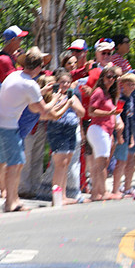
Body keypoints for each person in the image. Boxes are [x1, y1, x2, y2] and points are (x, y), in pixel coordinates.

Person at [0, 47, 67, 212]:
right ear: (38, 67)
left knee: (14, 164)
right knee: (15, 164)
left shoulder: (14, 75)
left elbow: (23, 98)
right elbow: (44, 110)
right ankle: (10, 202)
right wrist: (55, 99)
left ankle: (13, 199)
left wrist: (40, 92)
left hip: (1, 124)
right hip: (9, 126)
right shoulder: (30, 84)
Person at [46, 68, 85, 205]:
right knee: (60, 163)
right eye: (63, 82)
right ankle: (56, 197)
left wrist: (72, 103)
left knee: (66, 162)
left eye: (68, 82)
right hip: (58, 130)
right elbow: (51, 112)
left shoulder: (72, 96)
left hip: (71, 129)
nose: (66, 85)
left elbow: (82, 112)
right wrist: (65, 103)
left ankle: (62, 195)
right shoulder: (53, 95)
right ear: (57, 82)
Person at [86, 65, 122, 201]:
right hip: (98, 129)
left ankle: (97, 192)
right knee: (101, 163)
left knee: (101, 162)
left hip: (105, 131)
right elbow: (91, 111)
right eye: (108, 77)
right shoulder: (99, 92)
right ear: (102, 78)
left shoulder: (108, 93)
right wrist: (109, 113)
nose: (111, 80)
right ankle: (102, 191)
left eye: (114, 77)